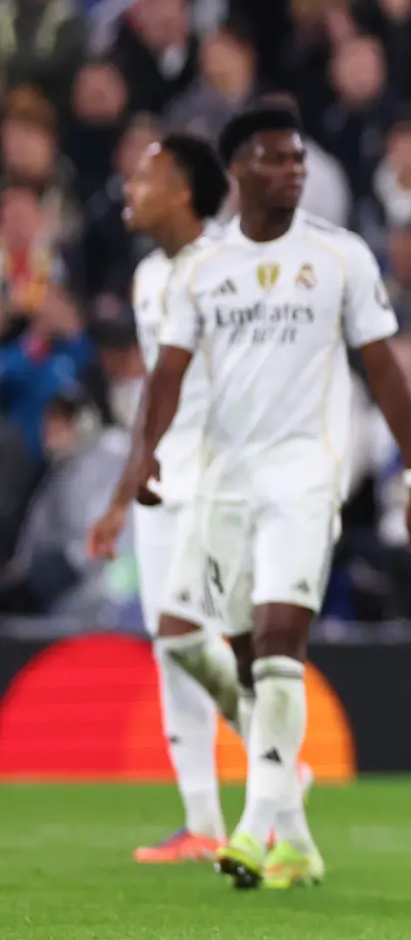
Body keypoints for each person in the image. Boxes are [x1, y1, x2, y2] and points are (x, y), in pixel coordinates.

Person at [90, 105, 411, 892]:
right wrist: (141, 461)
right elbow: (167, 375)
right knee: (234, 654)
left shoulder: (339, 255)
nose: (294, 170)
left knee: (283, 645)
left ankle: (246, 831)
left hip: (302, 475)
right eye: (277, 159)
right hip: (220, 482)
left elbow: (383, 368)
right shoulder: (201, 272)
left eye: (299, 158)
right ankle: (294, 833)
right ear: (239, 168)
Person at [91, 133, 239, 864]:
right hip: (161, 482)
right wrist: (123, 492)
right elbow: (155, 391)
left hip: (220, 478)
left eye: (145, 175)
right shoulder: (150, 277)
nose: (130, 185)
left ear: (183, 191)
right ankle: (203, 822)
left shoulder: (232, 270)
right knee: (169, 646)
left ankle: (278, 759)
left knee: (189, 636)